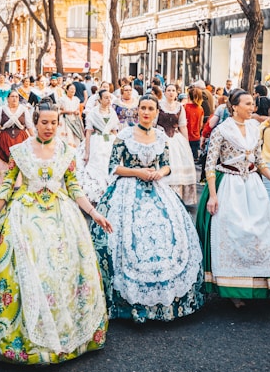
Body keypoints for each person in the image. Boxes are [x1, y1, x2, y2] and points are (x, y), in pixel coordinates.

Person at [0, 99, 112, 364]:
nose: (49, 127)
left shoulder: (66, 151)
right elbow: (5, 188)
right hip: (24, 216)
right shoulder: (20, 151)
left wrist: (94, 214)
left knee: (64, 271)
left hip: (62, 217)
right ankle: (23, 336)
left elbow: (73, 188)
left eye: (54, 123)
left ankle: (66, 332)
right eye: (44, 122)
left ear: (59, 124)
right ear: (35, 122)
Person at [91, 95, 204, 322]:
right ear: (138, 111)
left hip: (157, 189)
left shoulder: (161, 136)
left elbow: (167, 166)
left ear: (156, 112)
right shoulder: (124, 135)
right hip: (127, 191)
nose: (146, 112)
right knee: (123, 241)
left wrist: (159, 173)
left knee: (171, 237)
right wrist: (138, 172)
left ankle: (165, 299)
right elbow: (114, 167)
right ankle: (128, 301)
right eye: (142, 108)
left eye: (150, 108)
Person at [196, 89, 270, 308]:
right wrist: (213, 195)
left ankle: (256, 283)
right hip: (229, 184)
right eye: (247, 104)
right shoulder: (221, 130)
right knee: (232, 234)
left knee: (258, 234)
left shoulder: (256, 129)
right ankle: (231, 289)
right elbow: (210, 164)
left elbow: (259, 160)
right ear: (234, 106)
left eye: (252, 104)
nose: (251, 108)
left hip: (252, 186)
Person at [156, 84, 197, 206]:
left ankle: (178, 197)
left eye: (173, 90)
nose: (171, 93)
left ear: (176, 93)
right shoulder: (159, 105)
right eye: (168, 90)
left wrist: (186, 142)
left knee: (179, 164)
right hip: (160, 136)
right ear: (164, 92)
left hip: (176, 138)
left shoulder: (179, 107)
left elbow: (182, 125)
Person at [77, 89, 119, 203]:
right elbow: (88, 132)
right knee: (96, 166)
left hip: (109, 140)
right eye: (105, 97)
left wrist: (118, 146)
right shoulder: (93, 113)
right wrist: (87, 151)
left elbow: (115, 130)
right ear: (99, 99)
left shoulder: (112, 112)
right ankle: (97, 194)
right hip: (97, 140)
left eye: (109, 97)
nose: (108, 100)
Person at [0, 90, 34, 190]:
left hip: (21, 140)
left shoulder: (23, 110)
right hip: (5, 139)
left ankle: (19, 185)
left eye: (16, 97)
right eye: (12, 96)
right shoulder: (1, 109)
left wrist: (34, 139)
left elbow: (29, 126)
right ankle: (5, 186)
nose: (14, 99)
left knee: (20, 162)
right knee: (4, 162)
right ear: (8, 98)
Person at [58, 83, 85, 148]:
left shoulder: (76, 99)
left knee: (76, 137)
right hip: (65, 120)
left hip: (75, 119)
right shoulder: (62, 99)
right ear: (67, 90)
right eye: (71, 89)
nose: (73, 90)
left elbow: (78, 109)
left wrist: (77, 112)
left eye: (74, 89)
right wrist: (66, 111)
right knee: (67, 138)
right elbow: (58, 111)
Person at [185, 87, 204, 161]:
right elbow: (201, 124)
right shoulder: (200, 108)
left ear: (189, 96)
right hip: (196, 136)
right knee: (195, 157)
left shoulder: (185, 107)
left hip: (186, 135)